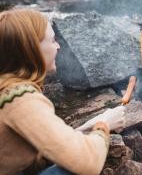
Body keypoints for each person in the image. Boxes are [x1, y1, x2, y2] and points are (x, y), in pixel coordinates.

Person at [0, 9, 125, 175]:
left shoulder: (7, 90)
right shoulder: (21, 99)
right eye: (52, 40)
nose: (58, 46)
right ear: (32, 48)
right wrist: (104, 125)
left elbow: (43, 147)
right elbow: (87, 163)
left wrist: (87, 127)